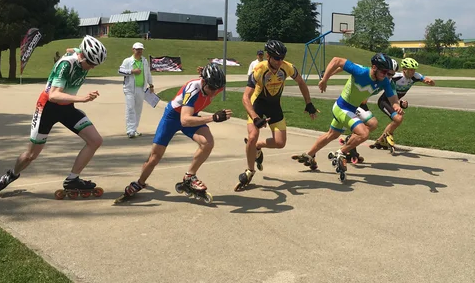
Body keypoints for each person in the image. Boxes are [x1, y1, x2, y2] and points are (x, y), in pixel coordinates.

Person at [0, 35, 108, 199]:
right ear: (83, 57)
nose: (92, 67)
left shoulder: (80, 55)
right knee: (31, 155)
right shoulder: (66, 65)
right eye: (91, 63)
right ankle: (12, 174)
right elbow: (54, 95)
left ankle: (72, 180)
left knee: (95, 140)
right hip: (48, 108)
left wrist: (71, 50)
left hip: (66, 107)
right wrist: (83, 98)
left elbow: (73, 50)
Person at [117, 64, 231, 203]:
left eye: (216, 89)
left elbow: (191, 115)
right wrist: (213, 118)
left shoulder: (216, 85)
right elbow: (184, 120)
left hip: (191, 115)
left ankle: (189, 177)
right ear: (204, 82)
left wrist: (205, 76)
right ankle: (140, 182)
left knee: (207, 143)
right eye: (211, 88)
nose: (214, 93)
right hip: (173, 117)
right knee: (155, 157)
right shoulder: (193, 89)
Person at [292, 53, 401, 181]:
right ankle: (341, 152)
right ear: (374, 67)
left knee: (332, 134)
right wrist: (325, 79)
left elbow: (392, 98)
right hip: (341, 107)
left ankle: (309, 155)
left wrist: (396, 106)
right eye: (383, 71)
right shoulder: (360, 71)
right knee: (364, 133)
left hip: (351, 109)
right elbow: (336, 60)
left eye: (388, 72)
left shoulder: (384, 82)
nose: (385, 75)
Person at [236, 39, 319, 191]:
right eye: (276, 58)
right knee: (253, 135)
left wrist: (309, 103)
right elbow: (245, 97)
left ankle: (258, 147)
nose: (280, 61)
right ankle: (250, 170)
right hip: (258, 105)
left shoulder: (287, 67)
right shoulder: (259, 69)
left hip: (275, 105)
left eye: (282, 58)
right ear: (268, 56)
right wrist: (255, 117)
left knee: (280, 143)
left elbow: (301, 82)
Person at [371, 57, 435, 151]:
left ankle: (380, 140)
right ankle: (384, 138)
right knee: (398, 118)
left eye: (414, 70)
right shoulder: (396, 76)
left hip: (396, 102)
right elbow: (383, 82)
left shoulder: (415, 76)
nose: (412, 72)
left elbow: (426, 79)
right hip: (384, 101)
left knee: (398, 120)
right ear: (404, 69)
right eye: (410, 70)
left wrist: (430, 81)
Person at [118, 42, 154, 138]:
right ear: (133, 49)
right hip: (129, 88)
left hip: (141, 88)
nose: (139, 51)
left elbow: (148, 73)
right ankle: (130, 130)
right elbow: (120, 71)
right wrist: (131, 71)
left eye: (141, 49)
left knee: (138, 109)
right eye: (137, 49)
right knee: (130, 108)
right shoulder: (128, 61)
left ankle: (134, 129)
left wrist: (151, 84)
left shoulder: (144, 61)